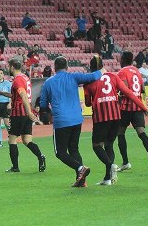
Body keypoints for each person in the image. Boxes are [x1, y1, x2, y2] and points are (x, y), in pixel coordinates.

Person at [39, 56, 104, 187]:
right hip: (77, 119)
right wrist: (101, 69)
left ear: (54, 68)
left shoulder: (48, 83)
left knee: (60, 152)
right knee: (74, 149)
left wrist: (49, 113)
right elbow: (94, 76)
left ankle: (80, 169)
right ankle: (81, 180)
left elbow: (43, 105)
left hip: (61, 121)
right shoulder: (74, 77)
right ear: (67, 67)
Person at [84, 56, 148, 186]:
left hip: (101, 117)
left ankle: (110, 165)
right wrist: (143, 107)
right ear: (103, 65)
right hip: (116, 116)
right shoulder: (113, 76)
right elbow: (129, 93)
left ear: (91, 67)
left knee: (97, 146)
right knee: (109, 145)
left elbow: (87, 104)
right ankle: (108, 178)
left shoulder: (89, 81)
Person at [0, 58, 47, 173]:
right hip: (26, 111)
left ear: (12, 67)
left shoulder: (17, 80)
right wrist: (3, 93)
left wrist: (29, 112)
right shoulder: (25, 77)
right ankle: (41, 156)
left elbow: (23, 95)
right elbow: (20, 95)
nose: (8, 68)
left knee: (12, 139)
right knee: (27, 140)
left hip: (19, 112)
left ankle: (15, 167)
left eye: (9, 66)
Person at [116, 52, 148, 173]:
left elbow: (124, 89)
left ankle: (125, 162)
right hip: (138, 107)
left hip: (125, 107)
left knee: (120, 132)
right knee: (141, 132)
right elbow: (143, 89)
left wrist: (118, 93)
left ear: (123, 60)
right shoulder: (136, 71)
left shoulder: (122, 72)